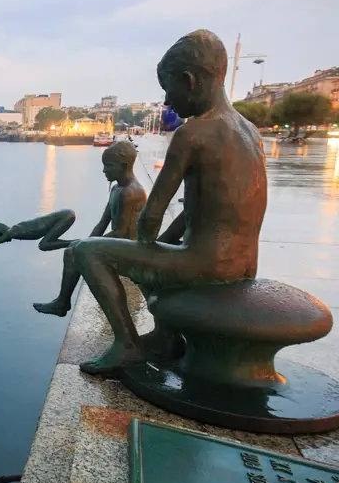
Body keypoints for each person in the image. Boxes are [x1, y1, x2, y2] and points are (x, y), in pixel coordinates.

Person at [71, 29, 268, 375]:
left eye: (168, 89)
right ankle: (165, 337)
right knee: (158, 254)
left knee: (87, 251)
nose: (167, 101)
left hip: (207, 265)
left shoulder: (194, 132)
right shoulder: (250, 131)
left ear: (190, 80)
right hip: (243, 265)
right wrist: (158, 249)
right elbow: (201, 210)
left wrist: (146, 247)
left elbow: (151, 215)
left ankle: (127, 345)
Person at [33, 141, 147, 317]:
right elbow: (102, 223)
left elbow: (122, 232)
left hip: (131, 248)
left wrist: (87, 246)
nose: (104, 170)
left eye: (108, 166)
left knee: (73, 252)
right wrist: (86, 243)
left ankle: (62, 303)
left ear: (123, 166)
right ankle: (62, 302)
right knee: (74, 250)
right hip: (120, 241)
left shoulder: (131, 193)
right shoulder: (117, 188)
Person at [0, 209, 77, 257]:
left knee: (44, 245)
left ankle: (77, 243)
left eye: (1, 236)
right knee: (45, 243)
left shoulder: (11, 232)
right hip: (66, 213)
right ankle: (76, 243)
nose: (5, 240)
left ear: (1, 232)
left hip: (65, 216)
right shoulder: (14, 228)